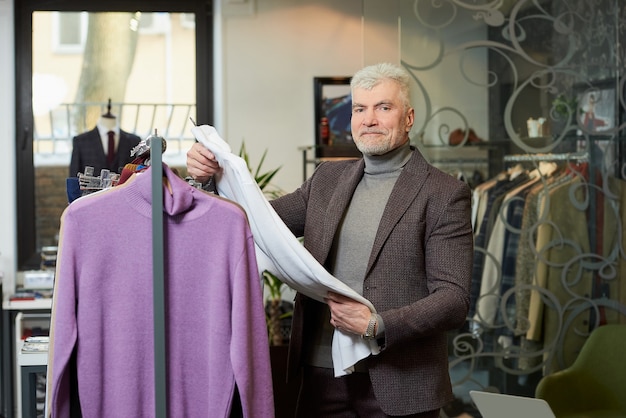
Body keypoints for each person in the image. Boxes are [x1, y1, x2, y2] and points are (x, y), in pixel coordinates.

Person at [186, 62, 474, 417]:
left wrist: (376, 325)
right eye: (359, 109)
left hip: (401, 382)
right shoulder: (327, 179)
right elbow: (253, 223)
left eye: (384, 107)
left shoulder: (444, 193)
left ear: (409, 118)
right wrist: (213, 177)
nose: (369, 119)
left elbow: (453, 299)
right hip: (320, 375)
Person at [69, 109, 141, 177]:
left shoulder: (134, 141)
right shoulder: (81, 141)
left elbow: (139, 174)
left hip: (125, 189)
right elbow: (74, 177)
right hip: (91, 190)